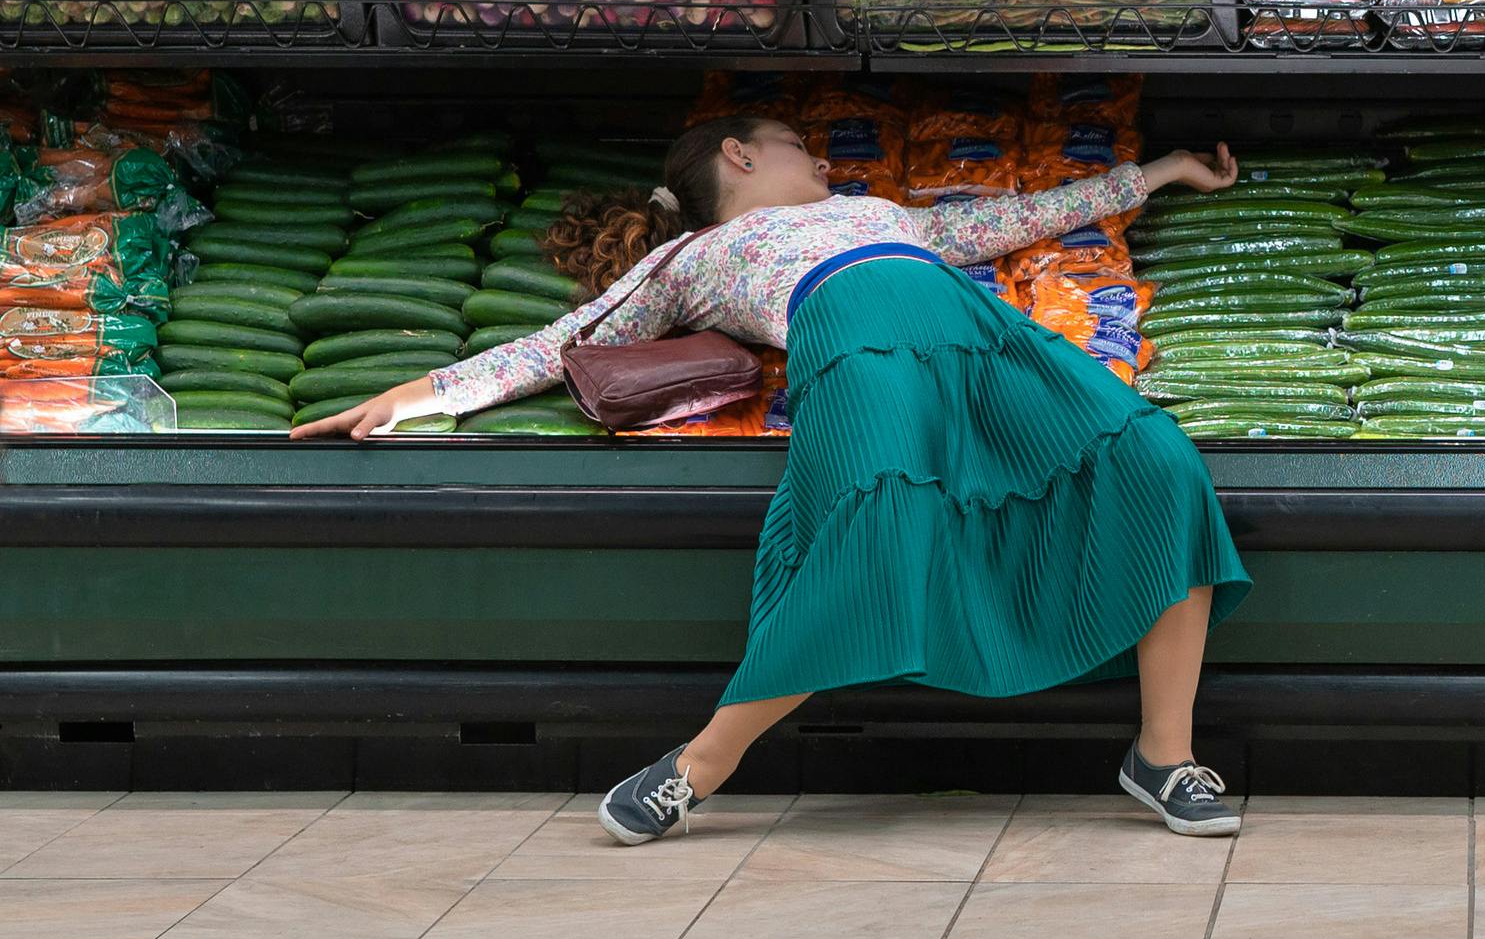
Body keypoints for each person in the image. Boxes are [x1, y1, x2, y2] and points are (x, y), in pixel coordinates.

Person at [294, 114, 1256, 843]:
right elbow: (557, 346)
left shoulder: (875, 214)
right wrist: (414, 395)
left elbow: (1019, 218)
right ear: (739, 156)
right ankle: (699, 765)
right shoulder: (690, 258)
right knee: (875, 523)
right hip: (853, 352)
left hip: (989, 339)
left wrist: (1162, 171)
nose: (823, 160)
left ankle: (1162, 756)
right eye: (800, 144)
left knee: (1159, 463)